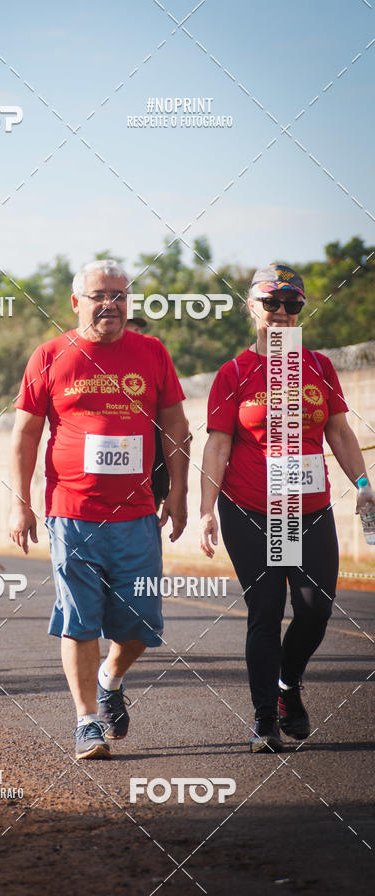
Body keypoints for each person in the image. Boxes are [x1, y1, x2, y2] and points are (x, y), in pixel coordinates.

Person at [9, 259, 190, 759]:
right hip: (72, 512)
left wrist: (179, 491)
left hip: (137, 514)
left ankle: (110, 678)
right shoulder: (50, 356)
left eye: (119, 295)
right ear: (76, 303)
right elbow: (25, 434)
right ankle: (86, 721)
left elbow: (176, 424)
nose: (110, 304)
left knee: (142, 625)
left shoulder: (152, 352)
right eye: (99, 295)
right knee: (79, 619)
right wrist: (21, 503)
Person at [199, 263, 375, 752]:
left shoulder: (318, 366)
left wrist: (363, 484)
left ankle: (287, 684)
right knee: (265, 611)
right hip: (250, 510)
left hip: (308, 509)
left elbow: (338, 430)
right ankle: (263, 722)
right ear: (251, 306)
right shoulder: (234, 372)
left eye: (292, 303)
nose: (281, 311)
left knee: (316, 609)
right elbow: (217, 445)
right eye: (270, 302)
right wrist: (207, 509)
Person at [125, 317, 171, 510]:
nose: (138, 336)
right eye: (132, 331)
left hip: (152, 467)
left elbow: (172, 415)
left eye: (139, 331)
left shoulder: (152, 360)